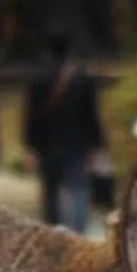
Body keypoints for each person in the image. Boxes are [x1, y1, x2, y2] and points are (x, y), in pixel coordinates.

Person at [22, 31, 107, 233]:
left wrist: (29, 145)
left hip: (47, 144)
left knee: (50, 190)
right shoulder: (82, 78)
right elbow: (91, 114)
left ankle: (53, 231)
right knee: (77, 189)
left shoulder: (38, 77)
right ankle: (77, 234)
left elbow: (31, 116)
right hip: (77, 144)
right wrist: (97, 144)